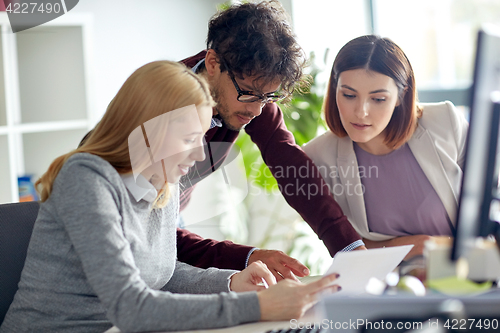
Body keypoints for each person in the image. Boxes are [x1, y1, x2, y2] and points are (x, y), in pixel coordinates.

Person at [0, 61, 340, 333]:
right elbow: (131, 306)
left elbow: (163, 275)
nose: (197, 154)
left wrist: (233, 282)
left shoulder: (163, 182)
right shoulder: (86, 179)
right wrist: (260, 307)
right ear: (147, 128)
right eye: (190, 137)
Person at [176, 0, 366, 280]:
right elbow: (158, 238)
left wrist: (349, 247)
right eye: (251, 94)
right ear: (213, 63)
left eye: (269, 98)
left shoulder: (250, 92)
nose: (256, 110)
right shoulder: (162, 111)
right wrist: (247, 257)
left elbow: (292, 167)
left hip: (170, 222)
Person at [303, 35, 469, 259]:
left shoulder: (445, 123)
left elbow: (489, 204)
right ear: (334, 91)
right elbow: (346, 247)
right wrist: (412, 247)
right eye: (349, 95)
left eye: (378, 99)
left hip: (467, 273)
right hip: (384, 286)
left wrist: (433, 246)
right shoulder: (317, 156)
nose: (361, 112)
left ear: (401, 96)